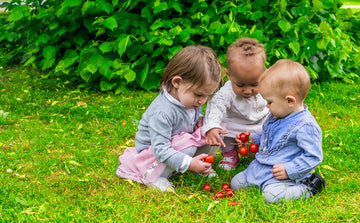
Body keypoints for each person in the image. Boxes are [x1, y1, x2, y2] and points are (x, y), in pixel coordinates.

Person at [116, 45, 222, 192]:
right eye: (199, 95)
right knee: (189, 148)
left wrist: (202, 122)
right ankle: (158, 177)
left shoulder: (188, 98)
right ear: (177, 82)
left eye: (207, 95)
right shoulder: (162, 112)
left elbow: (195, 118)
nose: (203, 101)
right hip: (153, 154)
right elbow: (161, 150)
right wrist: (188, 162)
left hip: (179, 141)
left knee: (212, 130)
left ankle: (197, 165)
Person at [231, 59, 325, 204]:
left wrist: (289, 169)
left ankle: (308, 188)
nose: (267, 106)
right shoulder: (277, 115)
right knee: (236, 183)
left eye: (269, 102)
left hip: (284, 176)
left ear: (289, 101)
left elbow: (313, 156)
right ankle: (262, 182)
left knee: (271, 196)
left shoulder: (305, 126)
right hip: (262, 168)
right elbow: (270, 137)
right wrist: (253, 140)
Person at [203, 38, 269, 170]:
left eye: (254, 84)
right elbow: (216, 109)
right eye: (240, 85)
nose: (248, 91)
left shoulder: (267, 86)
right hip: (233, 127)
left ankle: (259, 153)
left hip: (258, 125)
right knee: (223, 134)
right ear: (228, 75)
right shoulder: (226, 93)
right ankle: (230, 155)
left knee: (268, 135)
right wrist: (212, 127)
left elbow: (275, 102)